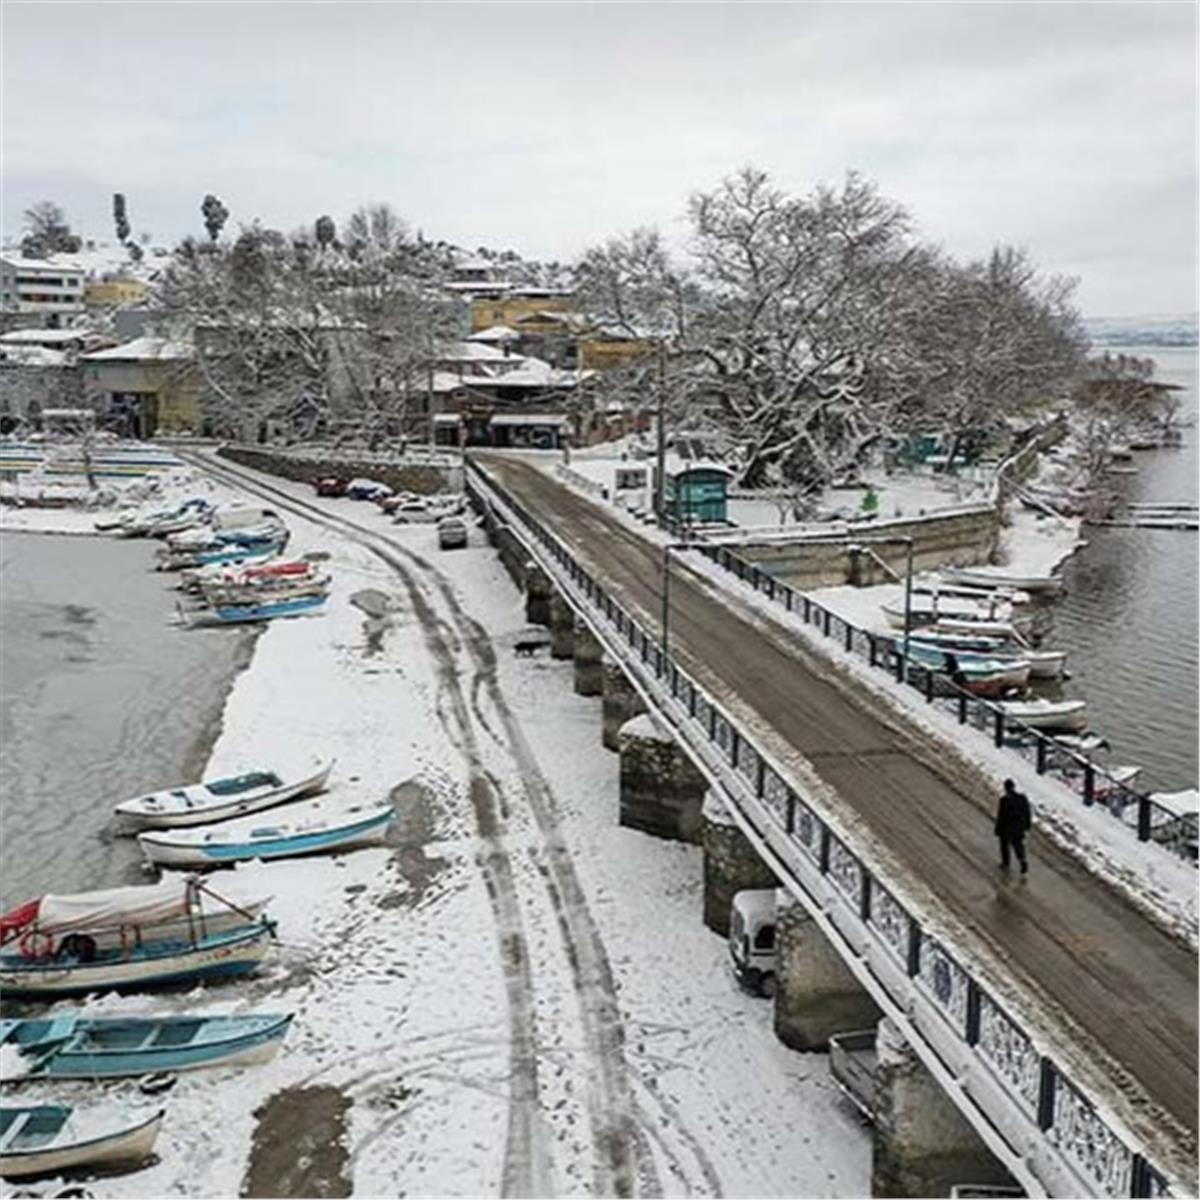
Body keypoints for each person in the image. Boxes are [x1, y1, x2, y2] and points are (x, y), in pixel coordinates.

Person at [995, 779, 1032, 874]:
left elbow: (1001, 816)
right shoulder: (1022, 798)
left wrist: (998, 829)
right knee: (1018, 845)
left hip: (1007, 827)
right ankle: (1022, 860)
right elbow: (1027, 813)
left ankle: (1006, 863)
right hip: (1019, 827)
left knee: (1004, 845)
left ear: (1005, 788)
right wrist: (1027, 825)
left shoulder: (1004, 800)